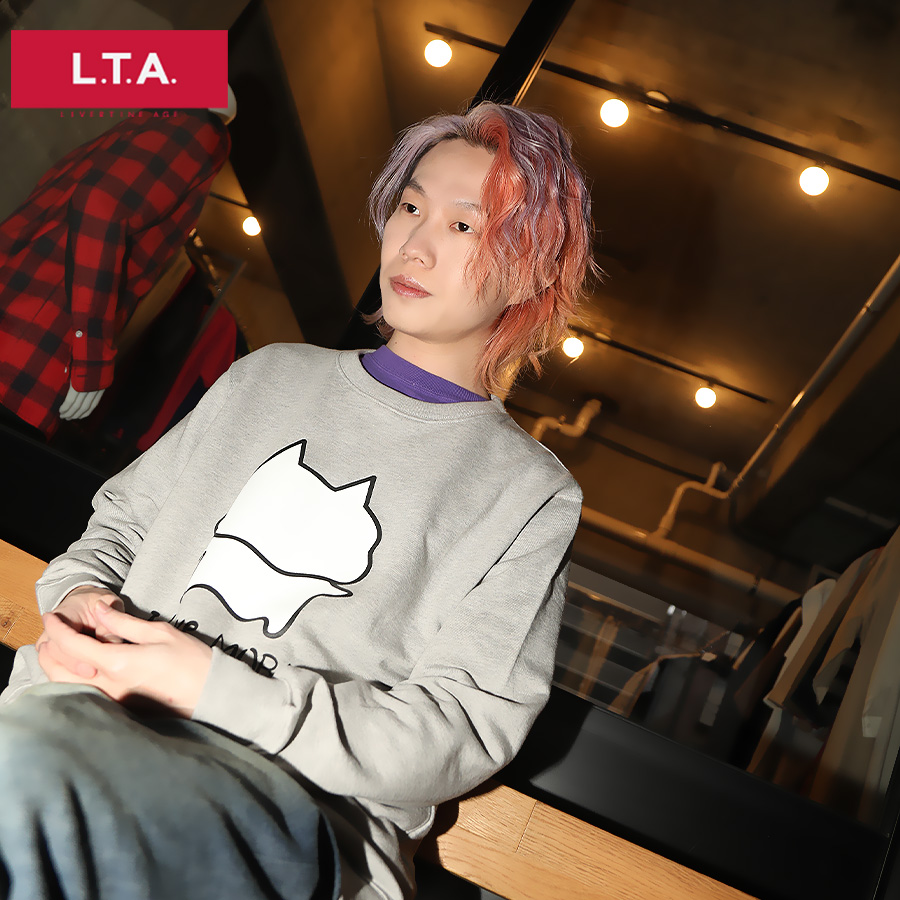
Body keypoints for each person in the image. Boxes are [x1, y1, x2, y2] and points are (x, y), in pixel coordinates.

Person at [0, 101, 595, 900]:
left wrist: (213, 686)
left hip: (288, 807)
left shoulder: (527, 493)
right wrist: (80, 600)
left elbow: (457, 729)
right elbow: (120, 527)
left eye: (464, 225)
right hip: (78, 723)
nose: (415, 243)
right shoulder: (270, 375)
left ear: (529, 267)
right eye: (410, 206)